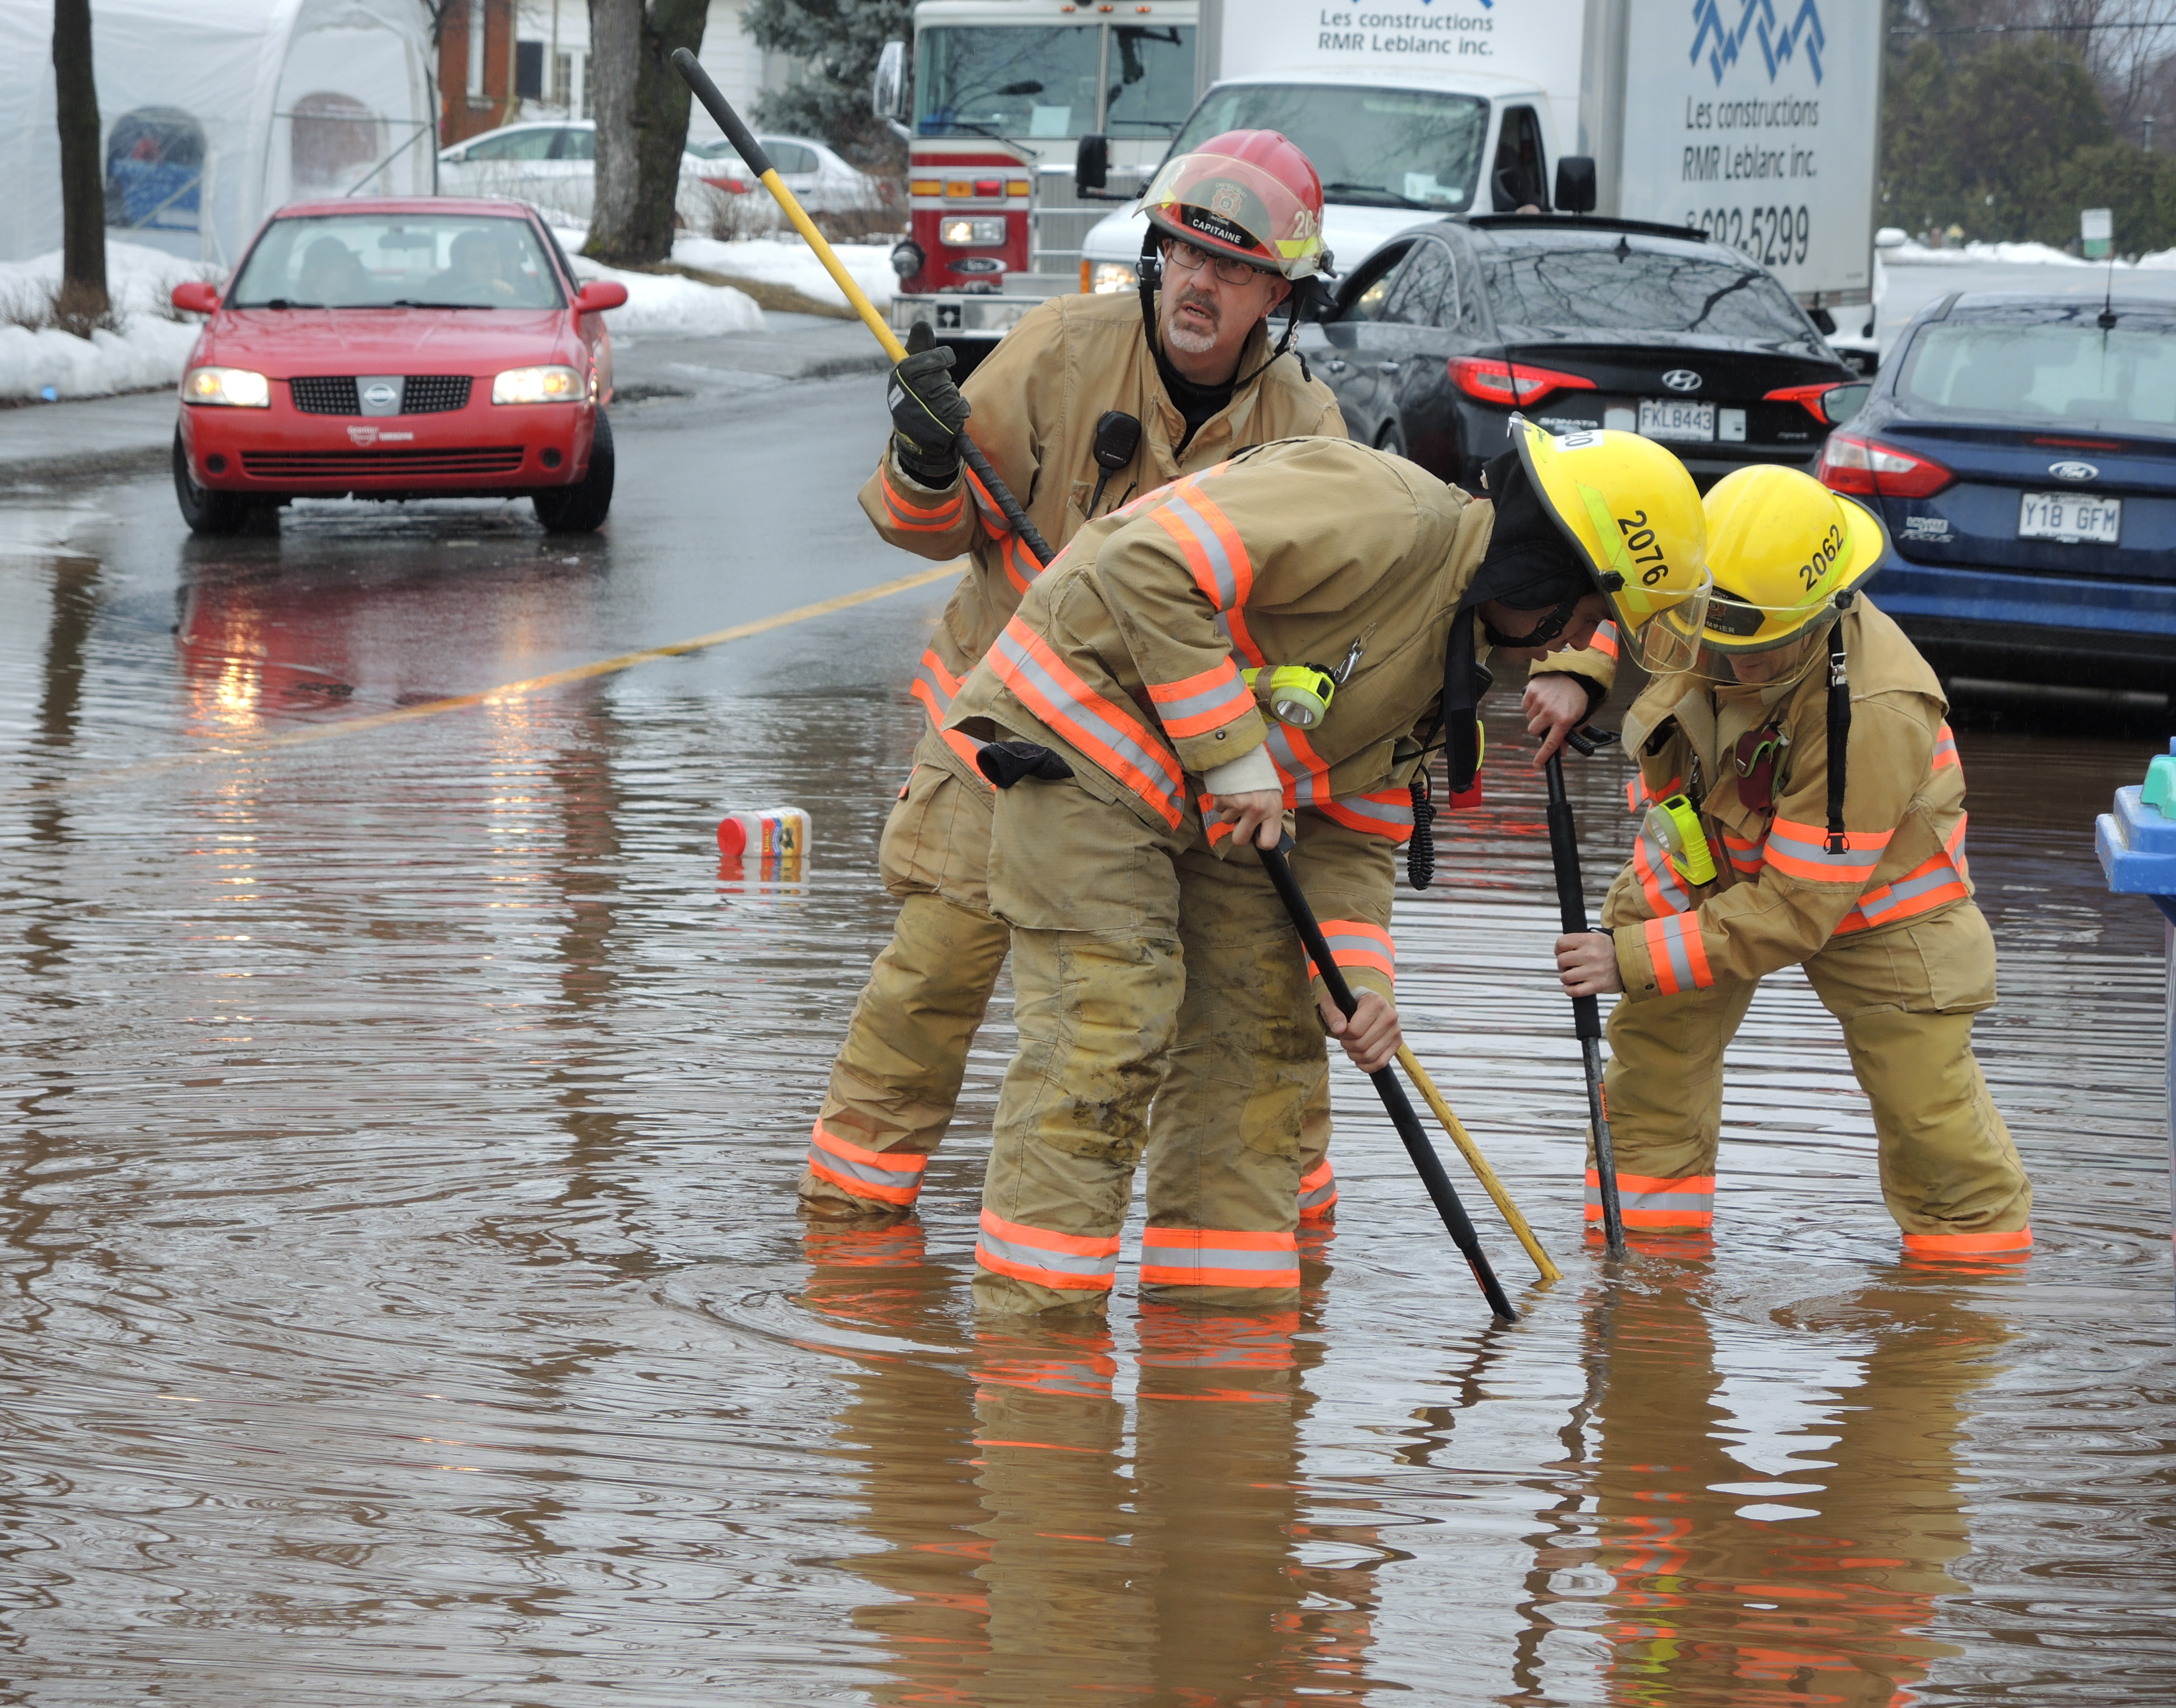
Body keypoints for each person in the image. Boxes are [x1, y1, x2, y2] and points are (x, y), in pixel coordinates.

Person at [803, 133, 1618, 1225]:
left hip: (1186, 773)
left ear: (1277, 293)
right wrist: (926, 461)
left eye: (1233, 269)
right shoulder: (1055, 351)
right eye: (1183, 252)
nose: (1200, 282)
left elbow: (1322, 657)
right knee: (935, 979)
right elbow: (931, 528)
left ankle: (1279, 1245)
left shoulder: (1306, 426)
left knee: (1254, 1005)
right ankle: (849, 1227)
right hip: (998, 729)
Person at [939, 422, 1710, 1312]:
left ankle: (1223, 1354)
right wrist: (1234, 756)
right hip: (1085, 738)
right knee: (1110, 1024)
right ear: (1545, 562)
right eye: (1579, 619)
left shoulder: (1447, 653)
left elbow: (1354, 828)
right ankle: (1037, 1344)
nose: (1562, 645)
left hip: (1218, 801)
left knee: (1266, 1038)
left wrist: (1358, 984)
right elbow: (1145, 566)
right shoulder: (1375, 507)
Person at [1551, 463, 2032, 1259]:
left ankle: (1968, 1302)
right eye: (1716, 633)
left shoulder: (1875, 712)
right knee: (1652, 1072)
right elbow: (1622, 601)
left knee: (1928, 1119)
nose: (1730, 665)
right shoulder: (1705, 587)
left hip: (1879, 910)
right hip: (1708, 865)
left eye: (1760, 651)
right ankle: (1645, 1286)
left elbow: (1796, 910)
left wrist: (1627, 955)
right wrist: (1575, 670)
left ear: (1819, 615)